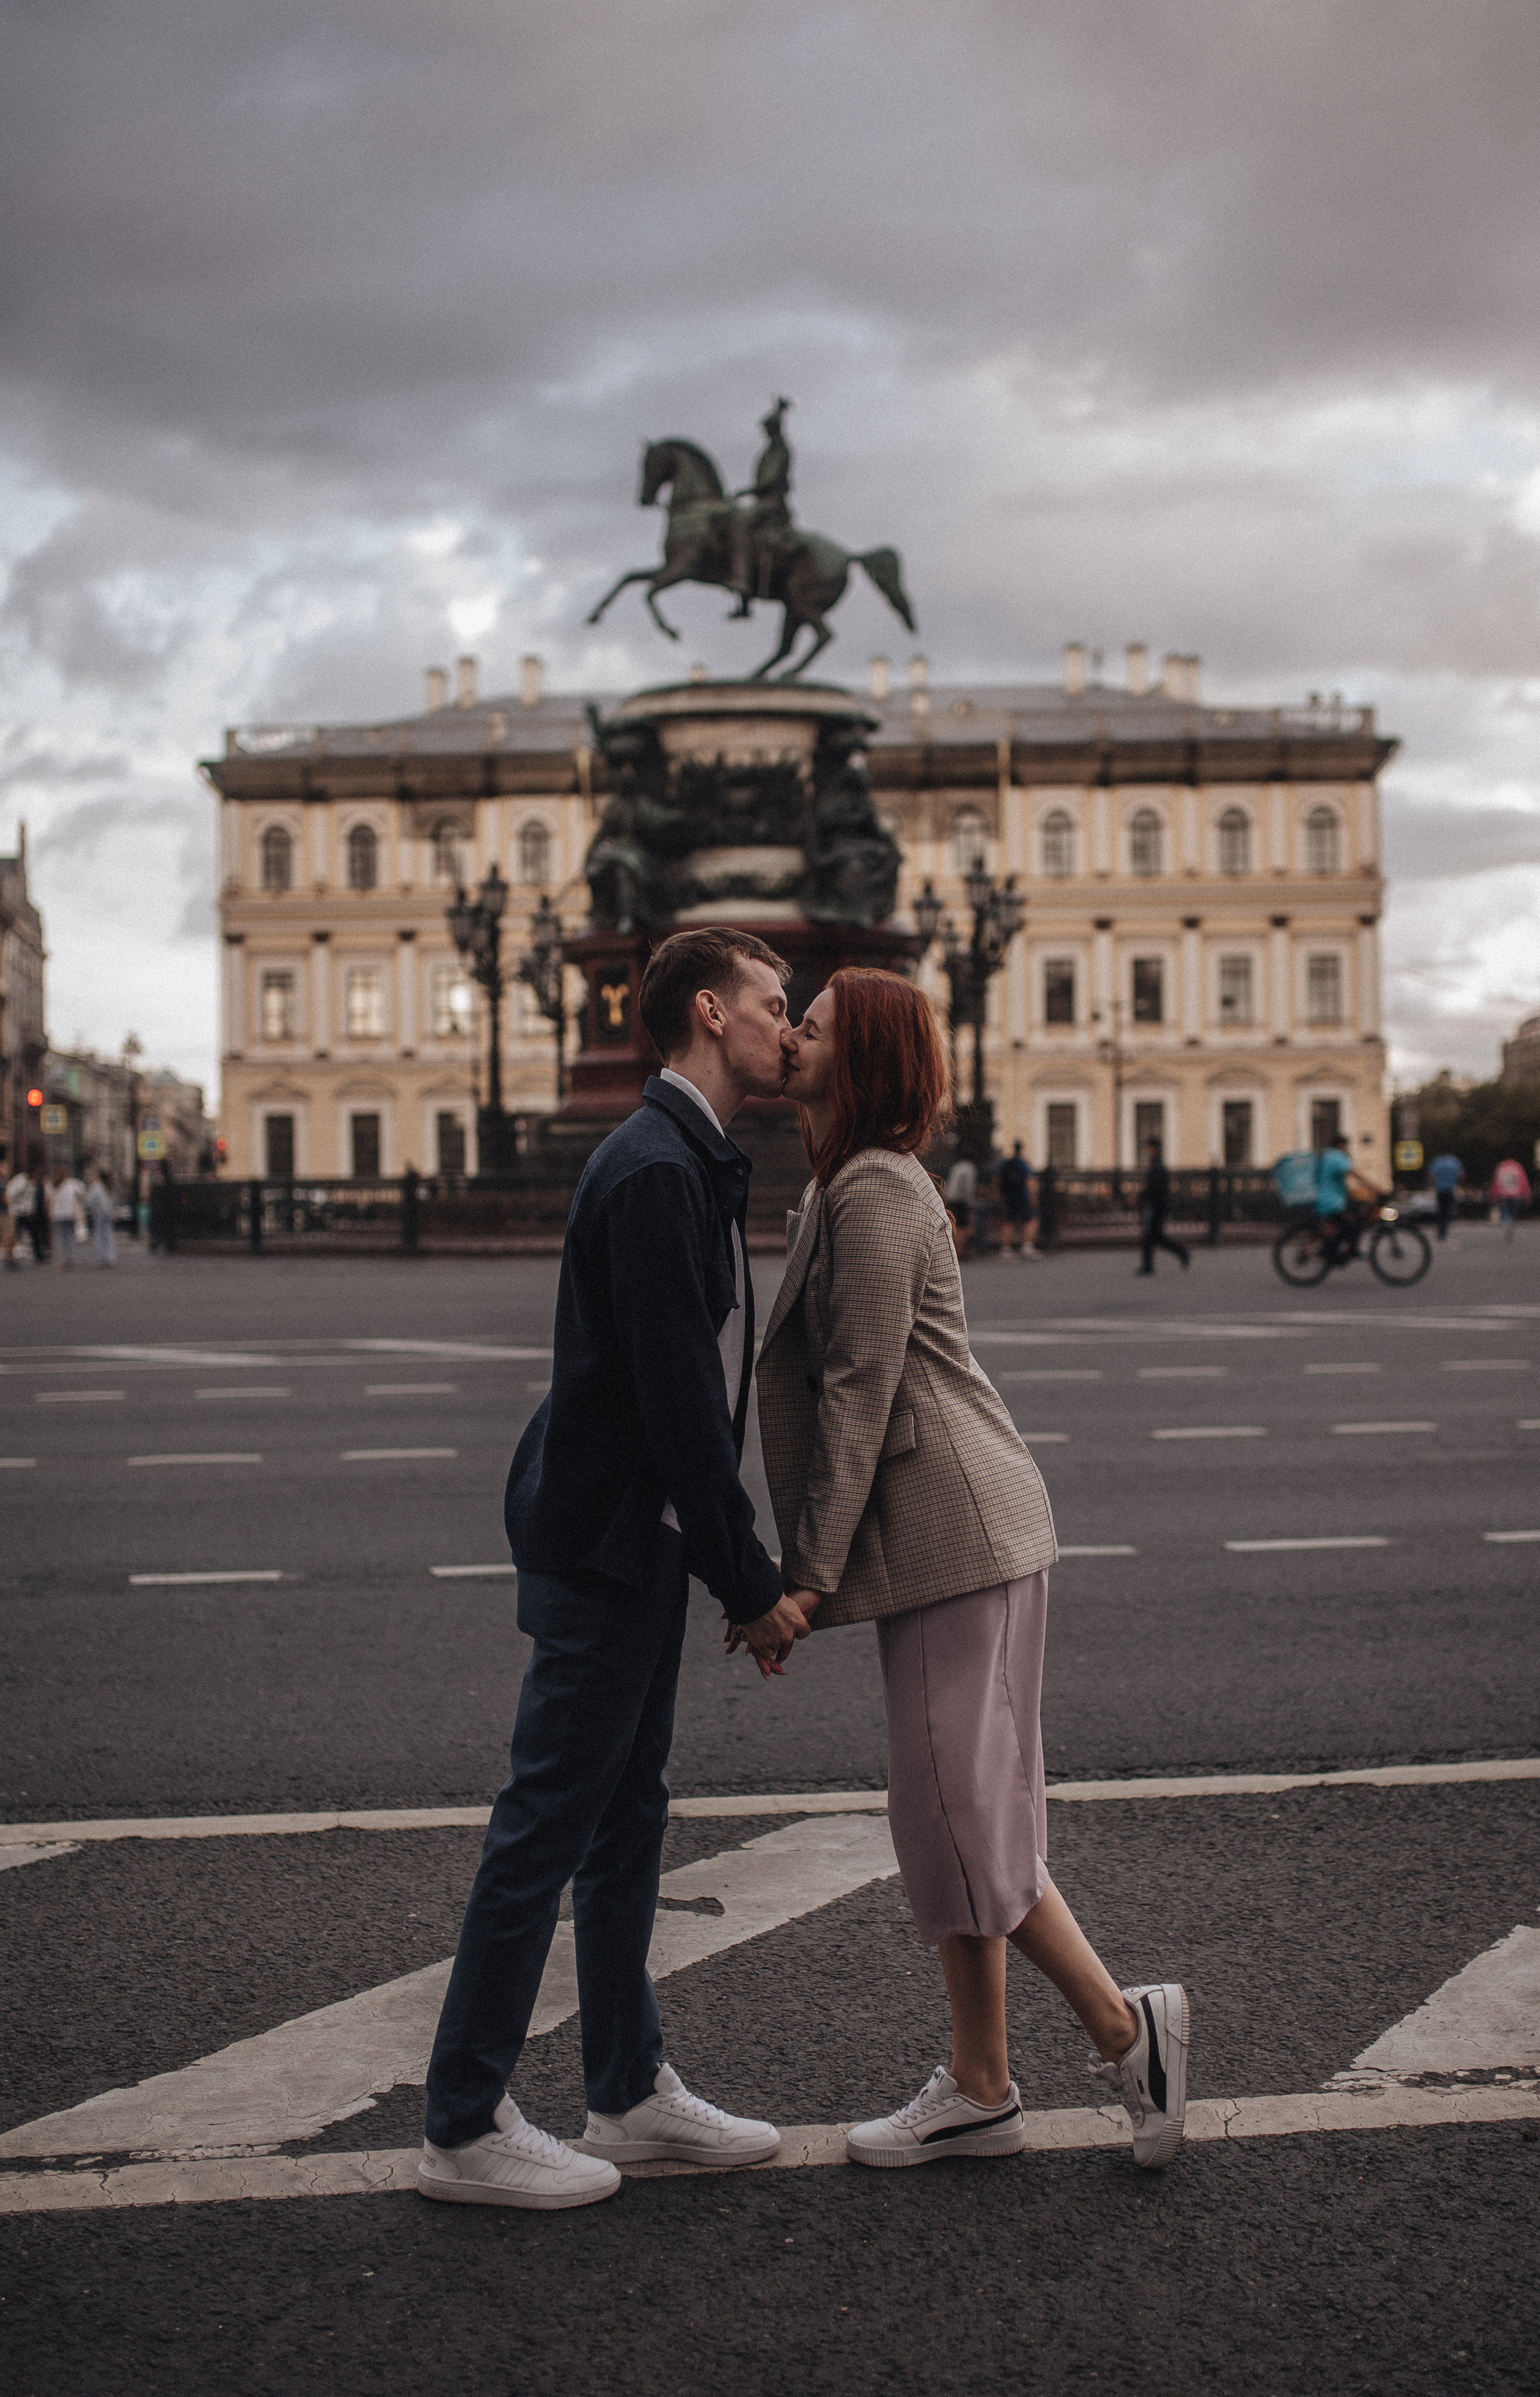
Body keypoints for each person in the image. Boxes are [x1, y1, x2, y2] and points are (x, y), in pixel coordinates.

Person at [754, 969, 1189, 2173]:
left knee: (957, 1811)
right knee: (953, 1810)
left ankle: (1122, 2030)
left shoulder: (878, 1190)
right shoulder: (850, 1183)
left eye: (816, 1026)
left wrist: (801, 1577)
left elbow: (859, 1390)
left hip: (959, 1536)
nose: (791, 1034)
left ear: (861, 1060)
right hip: (946, 1541)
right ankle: (983, 2081)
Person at [419, 928, 804, 2212]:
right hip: (606, 1539)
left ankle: (627, 2089)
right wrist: (748, 1582)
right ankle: (462, 2121)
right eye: (772, 1004)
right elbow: (678, 1406)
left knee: (624, 1819)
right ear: (709, 1012)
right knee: (544, 1826)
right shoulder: (653, 1170)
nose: (789, 1027)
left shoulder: (685, 1157)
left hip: (632, 1536)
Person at [1136, 1139, 1189, 1276]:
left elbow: (1154, 1189)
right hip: (1158, 1206)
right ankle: (1181, 1253)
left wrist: (1141, 1197)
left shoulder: (1157, 1167)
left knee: (1152, 1236)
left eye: (1150, 1148)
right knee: (1155, 1237)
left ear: (1155, 1149)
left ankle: (1149, 1266)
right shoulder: (1157, 1166)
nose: (1148, 1151)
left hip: (1156, 1206)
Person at [997, 1141, 1039, 1258]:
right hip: (1023, 1196)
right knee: (1030, 1221)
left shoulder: (1006, 1163)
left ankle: (1005, 1249)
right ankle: (1027, 1246)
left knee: (1008, 1222)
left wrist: (998, 1194)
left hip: (1009, 1196)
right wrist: (1033, 1196)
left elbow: (997, 1179)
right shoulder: (1023, 1163)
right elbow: (1029, 1181)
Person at [48, 1167, 85, 1267]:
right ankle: (71, 1259)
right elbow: (82, 1193)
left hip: (57, 1215)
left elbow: (48, 1200)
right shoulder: (72, 1183)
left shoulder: (53, 1185)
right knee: (70, 1237)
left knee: (60, 1238)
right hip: (70, 1214)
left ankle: (61, 1260)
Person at [944, 1150, 978, 1256]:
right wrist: (970, 1202)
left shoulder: (957, 1166)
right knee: (962, 1226)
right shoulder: (969, 1168)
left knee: (954, 1225)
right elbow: (967, 1188)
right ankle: (959, 1250)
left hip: (950, 1197)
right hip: (960, 1200)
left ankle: (953, 1249)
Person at [1491, 1155, 1532, 1239]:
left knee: (1505, 1212)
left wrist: (1494, 1195)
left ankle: (1508, 1224)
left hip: (1503, 1194)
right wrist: (1527, 1195)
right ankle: (1511, 1223)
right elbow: (1524, 1182)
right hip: (1517, 1195)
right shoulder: (1518, 1167)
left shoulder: (1501, 1167)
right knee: (1513, 1213)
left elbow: (1496, 1183)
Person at [1429, 1150, 1463, 1241]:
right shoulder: (1454, 1161)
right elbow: (1460, 1175)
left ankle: (1440, 1230)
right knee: (1448, 1210)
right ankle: (1445, 1229)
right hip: (1450, 1189)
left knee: (1441, 1210)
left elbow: (1432, 1176)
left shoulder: (1437, 1162)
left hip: (1440, 1190)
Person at [86, 1168, 116, 1266]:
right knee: (108, 1236)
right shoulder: (108, 1185)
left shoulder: (97, 1186)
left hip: (99, 1213)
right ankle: (110, 1257)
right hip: (108, 1212)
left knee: (99, 1235)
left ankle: (100, 1257)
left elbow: (90, 1200)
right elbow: (112, 1200)